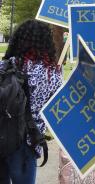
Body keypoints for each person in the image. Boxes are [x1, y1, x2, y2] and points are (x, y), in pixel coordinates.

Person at [0, 20, 62, 184]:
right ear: (46, 42)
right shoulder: (51, 72)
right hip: (27, 140)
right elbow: (57, 107)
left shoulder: (5, 65)